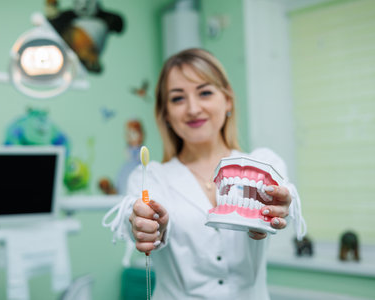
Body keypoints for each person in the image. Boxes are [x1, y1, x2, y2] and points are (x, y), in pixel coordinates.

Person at [103, 48, 306, 299]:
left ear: (228, 100)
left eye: (205, 93)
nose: (193, 108)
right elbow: (135, 215)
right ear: (165, 113)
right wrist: (146, 224)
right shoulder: (150, 178)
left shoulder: (265, 165)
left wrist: (268, 216)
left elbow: (280, 206)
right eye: (178, 98)